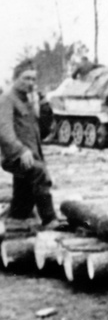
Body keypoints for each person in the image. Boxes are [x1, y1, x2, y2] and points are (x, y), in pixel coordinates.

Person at [0, 61, 57, 232]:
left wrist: (45, 108)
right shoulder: (7, 99)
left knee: (23, 199)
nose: (30, 83)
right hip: (14, 156)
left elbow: (42, 133)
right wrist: (20, 150)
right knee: (39, 173)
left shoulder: (29, 101)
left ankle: (18, 216)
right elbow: (3, 131)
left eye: (33, 79)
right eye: (26, 78)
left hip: (32, 155)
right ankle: (49, 220)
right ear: (15, 78)